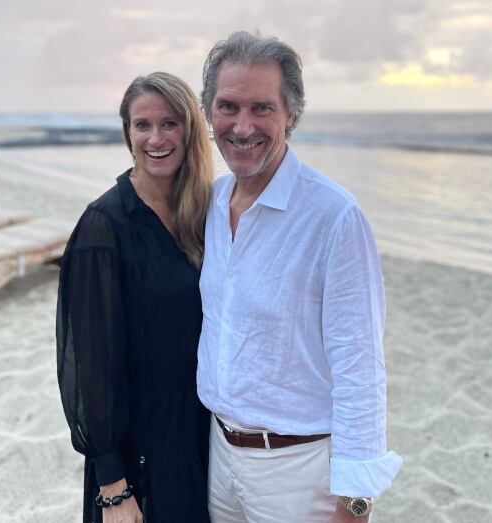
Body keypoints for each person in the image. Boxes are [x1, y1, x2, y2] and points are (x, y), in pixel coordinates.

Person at [196, 31, 402, 522]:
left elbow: (360, 366)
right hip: (216, 453)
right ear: (209, 114)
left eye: (262, 108)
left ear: (291, 115)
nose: (243, 126)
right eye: (228, 106)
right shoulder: (209, 202)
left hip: (297, 470)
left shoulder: (334, 217)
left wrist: (355, 500)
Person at [57, 72, 214, 523]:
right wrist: (113, 487)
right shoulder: (103, 227)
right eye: (142, 124)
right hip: (139, 463)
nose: (156, 137)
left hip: (202, 443)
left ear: (189, 129)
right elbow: (89, 367)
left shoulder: (205, 213)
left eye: (169, 123)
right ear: (127, 133)